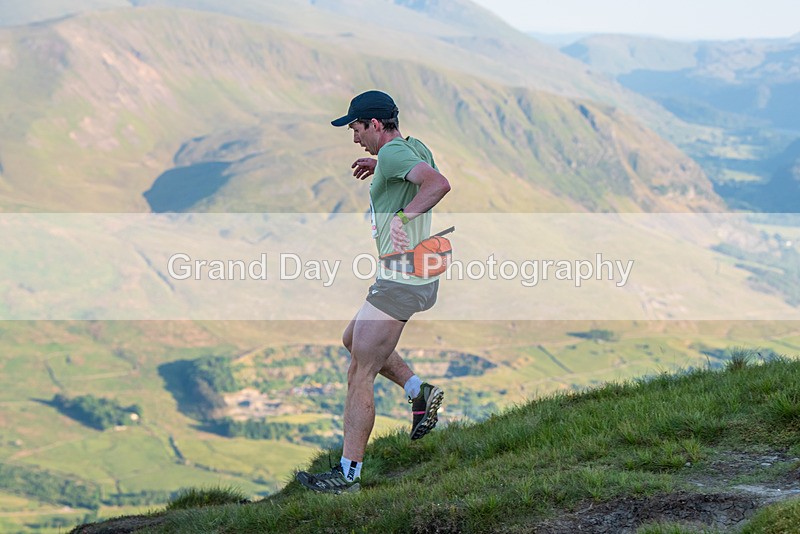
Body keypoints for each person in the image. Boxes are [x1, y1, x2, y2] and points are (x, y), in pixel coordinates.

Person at [296, 90, 451, 493]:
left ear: (375, 125)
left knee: (359, 372)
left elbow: (438, 184)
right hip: (409, 273)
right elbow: (411, 167)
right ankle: (419, 392)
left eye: (356, 128)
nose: (354, 137)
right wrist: (380, 165)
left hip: (402, 277)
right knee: (353, 340)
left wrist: (403, 217)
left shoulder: (396, 154)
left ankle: (348, 475)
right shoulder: (410, 147)